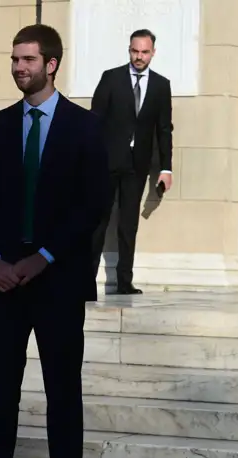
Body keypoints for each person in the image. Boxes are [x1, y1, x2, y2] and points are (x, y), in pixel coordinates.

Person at [0, 25, 110, 458]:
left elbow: (92, 203)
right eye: (15, 59)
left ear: (52, 63)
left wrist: (43, 257)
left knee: (63, 394)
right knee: (1, 393)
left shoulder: (85, 126)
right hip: (2, 284)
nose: (19, 67)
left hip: (57, 282)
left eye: (28, 59)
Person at [90, 29, 174, 295]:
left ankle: (124, 282)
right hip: (106, 162)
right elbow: (95, 120)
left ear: (153, 53)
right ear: (129, 50)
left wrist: (166, 168)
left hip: (137, 166)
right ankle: (85, 281)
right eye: (134, 51)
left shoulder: (161, 85)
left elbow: (164, 129)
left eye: (144, 52)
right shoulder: (111, 78)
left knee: (128, 224)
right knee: (98, 221)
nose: (139, 57)